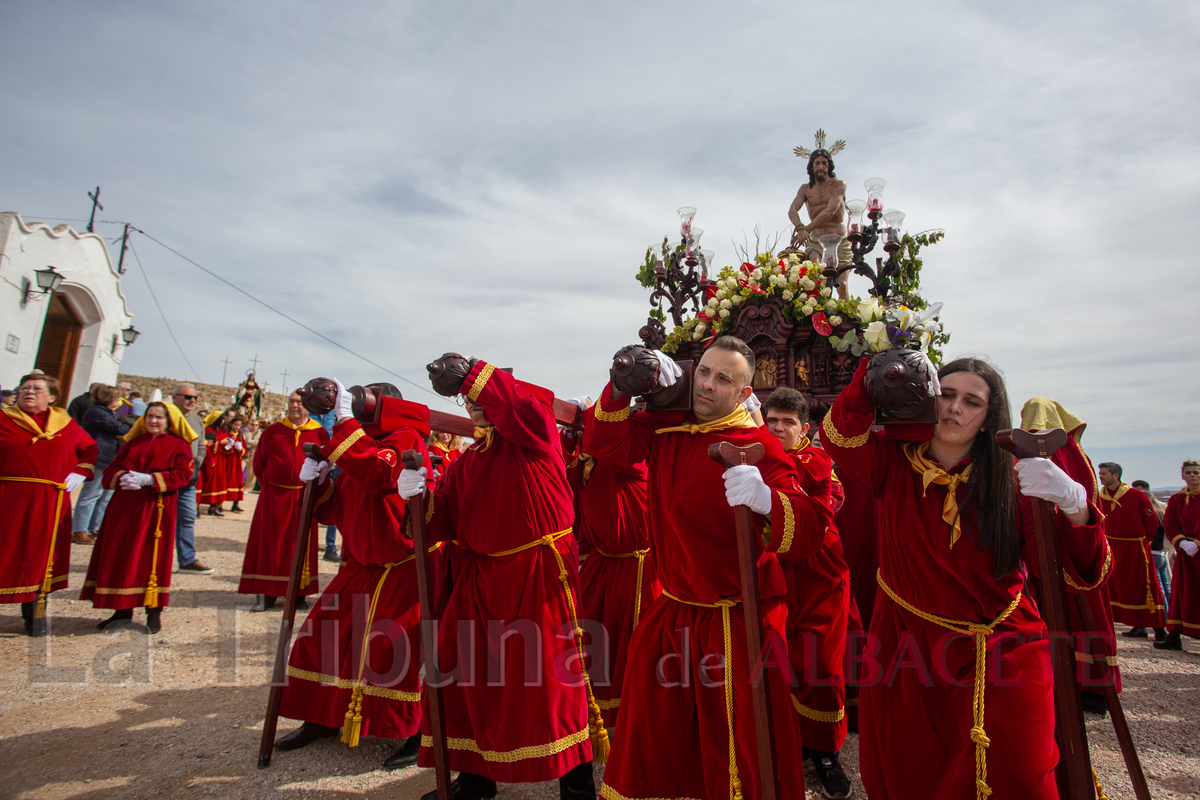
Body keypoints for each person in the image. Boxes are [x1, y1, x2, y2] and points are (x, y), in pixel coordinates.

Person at [823, 359, 1109, 799]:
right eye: (946, 395)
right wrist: (880, 368)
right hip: (908, 651)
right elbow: (840, 434)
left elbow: (1073, 573)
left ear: (989, 417)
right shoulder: (890, 462)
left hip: (1003, 646)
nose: (954, 408)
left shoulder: (1015, 480)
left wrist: (1075, 505)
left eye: (971, 401)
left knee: (1021, 773)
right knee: (913, 774)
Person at [582, 337, 832, 800]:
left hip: (737, 620)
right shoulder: (665, 428)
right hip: (673, 610)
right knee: (660, 742)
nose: (708, 385)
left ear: (743, 394)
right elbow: (605, 443)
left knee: (743, 748)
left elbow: (811, 530)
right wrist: (621, 385)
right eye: (704, 372)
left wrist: (768, 502)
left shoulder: (756, 446)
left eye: (724, 379)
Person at [397, 356, 605, 800]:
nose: (473, 404)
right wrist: (418, 499)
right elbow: (443, 523)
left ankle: (575, 782)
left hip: (537, 574)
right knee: (466, 675)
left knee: (549, 681)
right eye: (468, 399)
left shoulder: (536, 437)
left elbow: (520, 407)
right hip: (478, 578)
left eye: (480, 396)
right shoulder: (465, 462)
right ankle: (475, 777)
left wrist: (472, 371)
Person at [274, 381, 434, 770]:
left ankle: (416, 733)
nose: (359, 411)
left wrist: (344, 426)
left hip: (403, 568)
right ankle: (322, 715)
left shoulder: (404, 436)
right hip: (360, 566)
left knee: (395, 652)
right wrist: (316, 482)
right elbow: (335, 510)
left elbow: (377, 474)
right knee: (320, 638)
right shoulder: (357, 442)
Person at [762, 387, 853, 799]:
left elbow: (820, 497)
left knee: (820, 664)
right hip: (776, 573)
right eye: (772, 421)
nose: (779, 428)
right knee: (777, 661)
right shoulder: (757, 453)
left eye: (788, 422)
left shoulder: (814, 460)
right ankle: (793, 741)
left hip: (819, 577)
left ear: (805, 428)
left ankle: (827, 751)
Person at [1019, 396, 1120, 715]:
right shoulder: (1078, 456)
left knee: (1074, 614)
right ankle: (1088, 685)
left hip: (1068, 540)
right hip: (1055, 541)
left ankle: (1088, 686)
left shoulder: (1055, 455)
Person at [562, 397, 658, 731]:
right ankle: (593, 715)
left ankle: (642, 721)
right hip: (605, 565)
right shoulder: (588, 464)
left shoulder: (633, 456)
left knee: (641, 650)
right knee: (594, 645)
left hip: (645, 568)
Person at [81, 402, 195, 633]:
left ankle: (153, 613)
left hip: (156, 510)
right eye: (150, 416)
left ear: (169, 421)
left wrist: (149, 480)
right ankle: (121, 611)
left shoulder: (179, 445)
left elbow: (183, 474)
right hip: (123, 510)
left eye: (159, 417)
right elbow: (110, 471)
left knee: (150, 560)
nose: (153, 421)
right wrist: (123, 478)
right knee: (121, 557)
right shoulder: (132, 443)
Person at [1, 373, 97, 634]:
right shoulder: (3, 418)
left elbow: (89, 449)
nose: (29, 391)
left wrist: (80, 472)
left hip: (50, 502)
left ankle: (35, 612)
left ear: (52, 397)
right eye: (24, 388)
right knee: (5, 551)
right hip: (8, 497)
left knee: (39, 555)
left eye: (36, 388)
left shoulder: (64, 423)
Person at [239, 393, 328, 612]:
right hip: (274, 497)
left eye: (299, 402)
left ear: (308, 406)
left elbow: (327, 464)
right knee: (270, 545)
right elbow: (259, 465)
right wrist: (273, 486)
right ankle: (268, 592)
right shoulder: (272, 431)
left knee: (300, 545)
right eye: (292, 402)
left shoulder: (319, 432)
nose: (294, 406)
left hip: (304, 497)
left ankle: (299, 592)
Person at [1097, 462, 1167, 641]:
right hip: (1111, 549)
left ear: (1115, 475)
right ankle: (1138, 627)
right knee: (1117, 588)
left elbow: (1151, 523)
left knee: (1145, 587)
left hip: (1135, 549)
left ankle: (1159, 631)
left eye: (1104, 473)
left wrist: (1142, 542)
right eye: (1100, 473)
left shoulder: (1136, 496)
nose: (1100, 476)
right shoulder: (1099, 497)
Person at [789, 133, 851, 299]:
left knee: (842, 286)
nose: (821, 166)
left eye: (824, 162)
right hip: (817, 241)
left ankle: (847, 318)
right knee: (817, 278)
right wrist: (800, 229)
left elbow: (830, 211)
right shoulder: (805, 189)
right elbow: (792, 210)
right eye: (817, 163)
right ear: (811, 167)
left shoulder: (839, 185)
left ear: (829, 165)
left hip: (839, 240)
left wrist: (806, 229)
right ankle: (821, 318)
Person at [71, 384, 133, 544]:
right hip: (98, 457)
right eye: (117, 398)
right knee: (90, 495)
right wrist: (131, 424)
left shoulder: (105, 412)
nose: (119, 401)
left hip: (106, 457)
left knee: (103, 495)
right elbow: (118, 428)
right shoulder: (97, 412)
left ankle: (94, 528)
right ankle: (78, 530)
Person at [169, 384, 215, 575]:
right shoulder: (166, 417)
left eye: (194, 397)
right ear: (174, 397)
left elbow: (202, 446)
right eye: (187, 397)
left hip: (188, 479)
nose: (192, 401)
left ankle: (187, 559)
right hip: (167, 476)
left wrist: (196, 463)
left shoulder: (197, 419)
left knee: (188, 518)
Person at [1157, 459, 1200, 651]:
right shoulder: (1176, 499)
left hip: (1198, 549)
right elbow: (1170, 522)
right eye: (1189, 472)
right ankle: (1174, 636)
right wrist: (1181, 541)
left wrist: (1197, 542)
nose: (1192, 476)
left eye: (1196, 472)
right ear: (1182, 475)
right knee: (1181, 593)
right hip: (1185, 552)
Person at [1132, 479, 1171, 608]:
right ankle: (1172, 616)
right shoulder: (1162, 509)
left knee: (1158, 589)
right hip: (1162, 553)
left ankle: (1165, 617)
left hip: (1152, 553)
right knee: (1166, 587)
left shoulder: (1149, 512)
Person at [310, 406, 341, 562]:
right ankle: (306, 544)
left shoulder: (334, 414)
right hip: (313, 462)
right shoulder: (308, 414)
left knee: (335, 504)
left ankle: (330, 547)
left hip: (334, 461)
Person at [199, 416, 231, 515]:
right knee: (208, 483)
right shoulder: (208, 430)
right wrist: (220, 443)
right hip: (211, 459)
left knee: (219, 484)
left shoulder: (224, 431)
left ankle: (214, 507)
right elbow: (207, 445)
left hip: (221, 460)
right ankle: (198, 507)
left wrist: (229, 445)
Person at [224, 416, 248, 513]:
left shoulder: (240, 436)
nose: (237, 427)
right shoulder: (227, 434)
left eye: (239, 425)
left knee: (237, 481)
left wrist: (240, 450)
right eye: (235, 425)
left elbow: (245, 448)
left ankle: (235, 504)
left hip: (236, 461)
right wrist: (230, 447)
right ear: (231, 424)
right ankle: (218, 503)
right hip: (227, 461)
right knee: (225, 480)